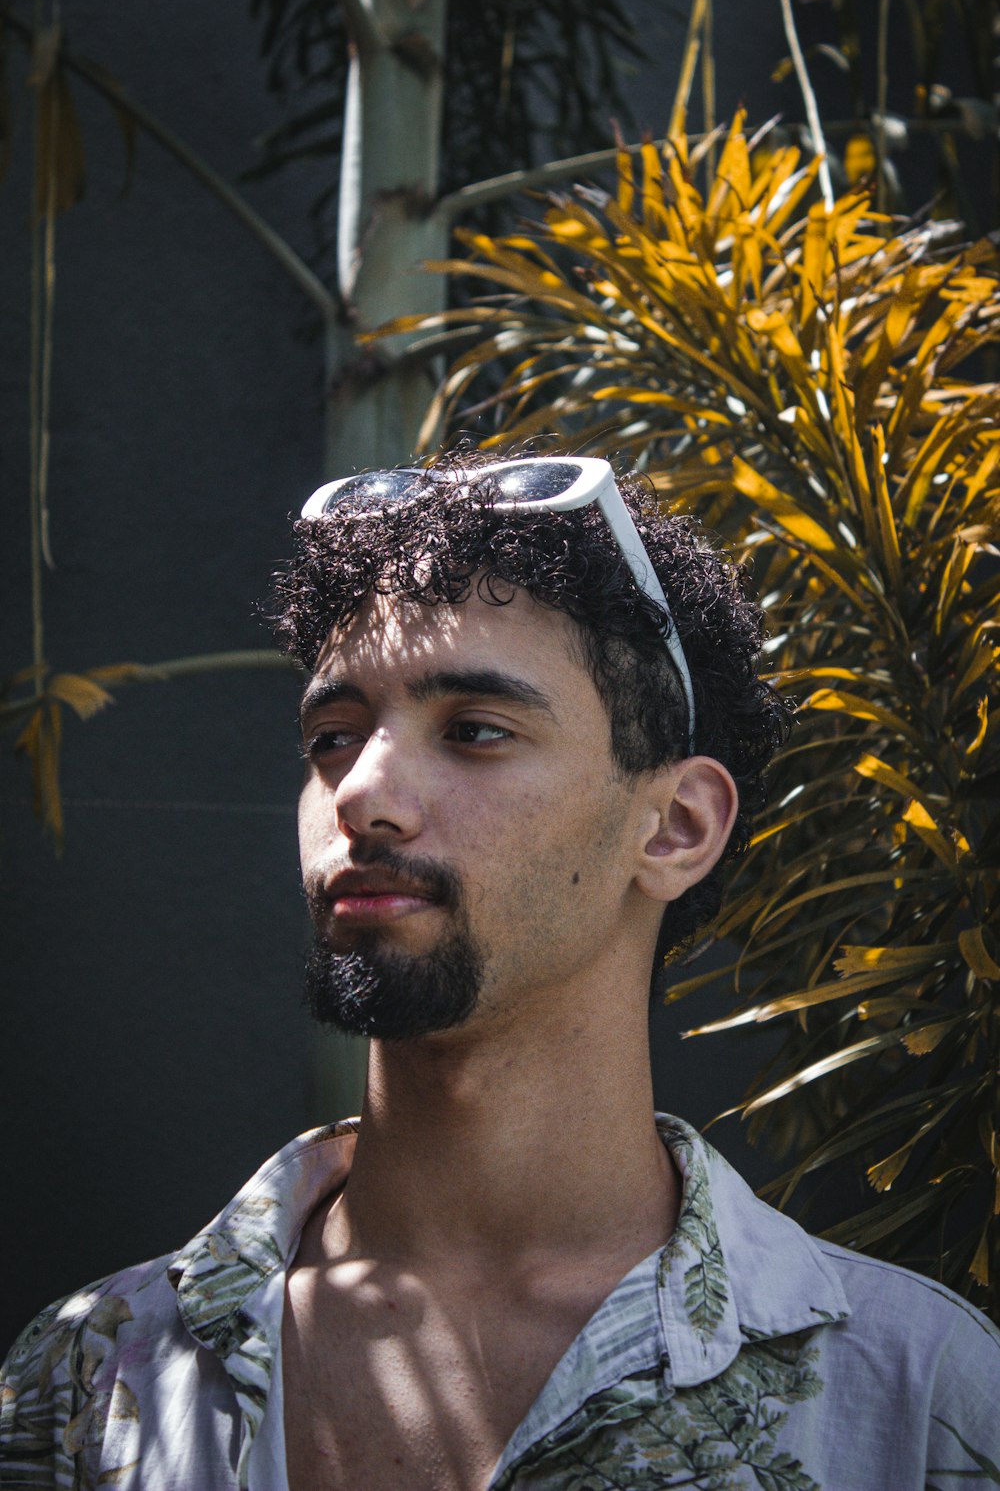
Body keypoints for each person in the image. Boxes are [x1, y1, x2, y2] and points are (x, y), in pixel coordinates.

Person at [1, 452, 997, 1491]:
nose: (362, 796)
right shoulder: (89, 1381)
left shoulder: (915, 1402)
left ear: (675, 826)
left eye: (475, 731)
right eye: (333, 738)